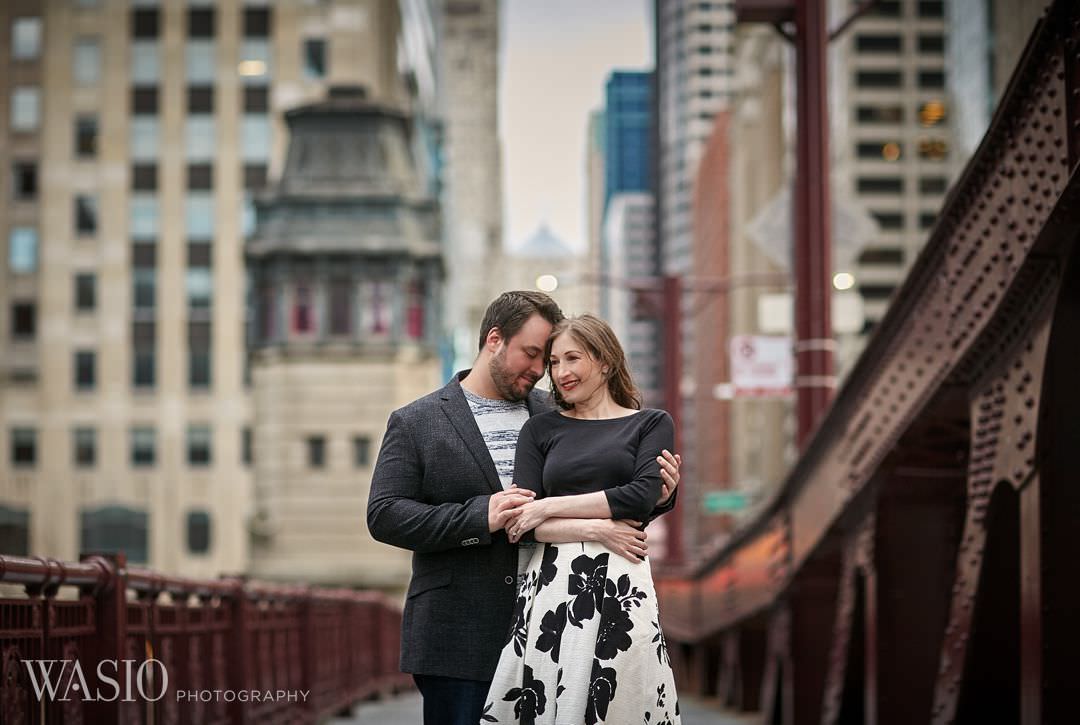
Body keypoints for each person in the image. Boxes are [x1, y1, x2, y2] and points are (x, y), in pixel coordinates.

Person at [366, 292, 681, 725]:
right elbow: (384, 514)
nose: (542, 372)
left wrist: (660, 497)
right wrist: (481, 515)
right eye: (534, 355)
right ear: (495, 339)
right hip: (460, 634)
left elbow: (606, 495)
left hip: (559, 624)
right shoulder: (416, 421)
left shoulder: (556, 412)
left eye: (549, 359)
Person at [482, 313, 681, 725]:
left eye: (573, 358)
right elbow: (521, 525)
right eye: (554, 363)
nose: (561, 372)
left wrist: (549, 506)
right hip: (553, 584)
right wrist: (597, 528)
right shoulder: (539, 430)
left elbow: (641, 496)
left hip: (622, 583)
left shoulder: (651, 423)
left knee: (621, 699)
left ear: (605, 361)